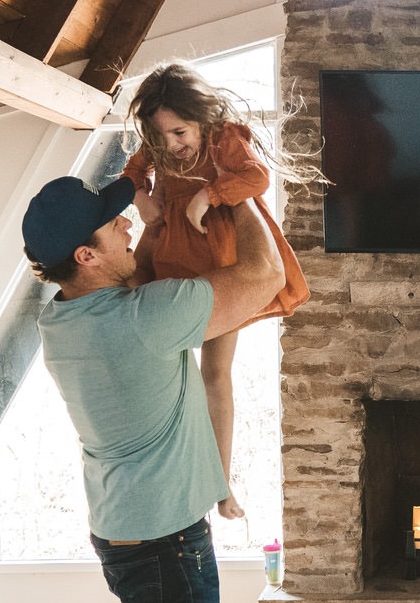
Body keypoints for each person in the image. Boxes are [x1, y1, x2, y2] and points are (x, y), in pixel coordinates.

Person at [21, 174, 286, 603]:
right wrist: (238, 191)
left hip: (121, 538)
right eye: (114, 226)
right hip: (169, 549)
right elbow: (264, 276)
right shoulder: (143, 318)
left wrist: (159, 205)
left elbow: (141, 256)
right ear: (86, 256)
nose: (129, 227)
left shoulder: (59, 319)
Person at [121, 61, 310, 520]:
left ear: (202, 119)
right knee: (172, 378)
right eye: (161, 137)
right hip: (170, 266)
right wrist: (142, 197)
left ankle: (222, 486)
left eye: (180, 133)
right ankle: (176, 474)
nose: (172, 145)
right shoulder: (157, 146)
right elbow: (130, 174)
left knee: (215, 375)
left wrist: (211, 195)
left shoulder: (223, 136)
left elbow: (257, 176)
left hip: (220, 262)